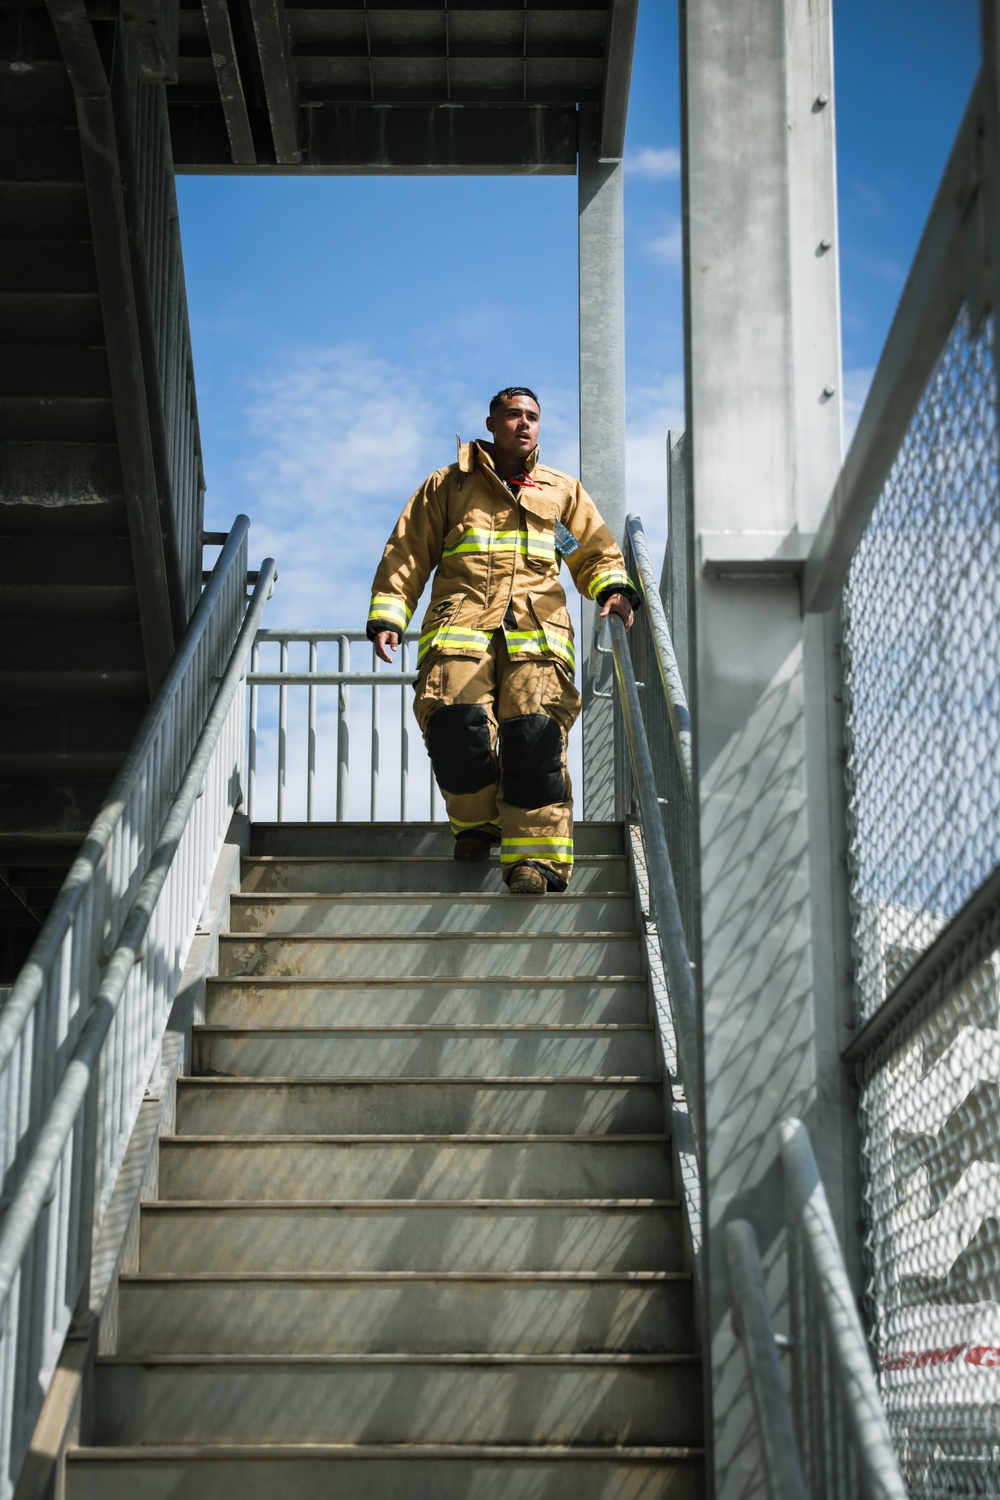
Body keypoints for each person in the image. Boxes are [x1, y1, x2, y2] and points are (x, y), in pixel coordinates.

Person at [366, 386, 638, 894]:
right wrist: (388, 615)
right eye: (512, 414)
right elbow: (407, 552)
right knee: (454, 730)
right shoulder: (447, 486)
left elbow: (593, 552)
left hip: (537, 638)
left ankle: (535, 861)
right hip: (459, 632)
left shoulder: (560, 491)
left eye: (532, 416)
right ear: (491, 423)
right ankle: (478, 824)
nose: (524, 424)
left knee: (534, 742)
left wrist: (615, 587)